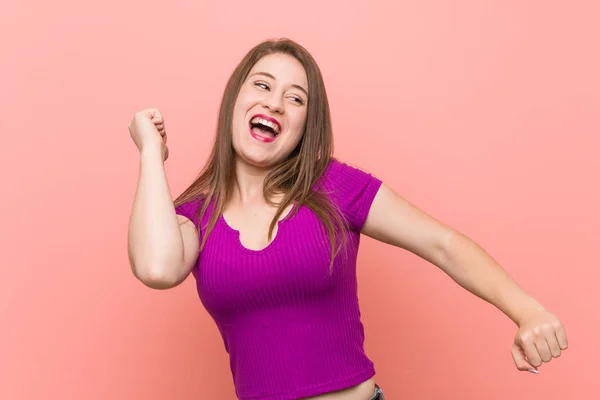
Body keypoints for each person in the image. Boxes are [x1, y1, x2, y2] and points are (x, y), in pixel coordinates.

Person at [127, 38, 568, 400]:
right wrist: (151, 153)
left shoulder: (333, 186)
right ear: (234, 100)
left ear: (305, 124)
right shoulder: (194, 217)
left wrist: (527, 311)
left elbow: (443, 244)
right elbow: (156, 268)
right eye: (262, 86)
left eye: (295, 98)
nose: (276, 103)